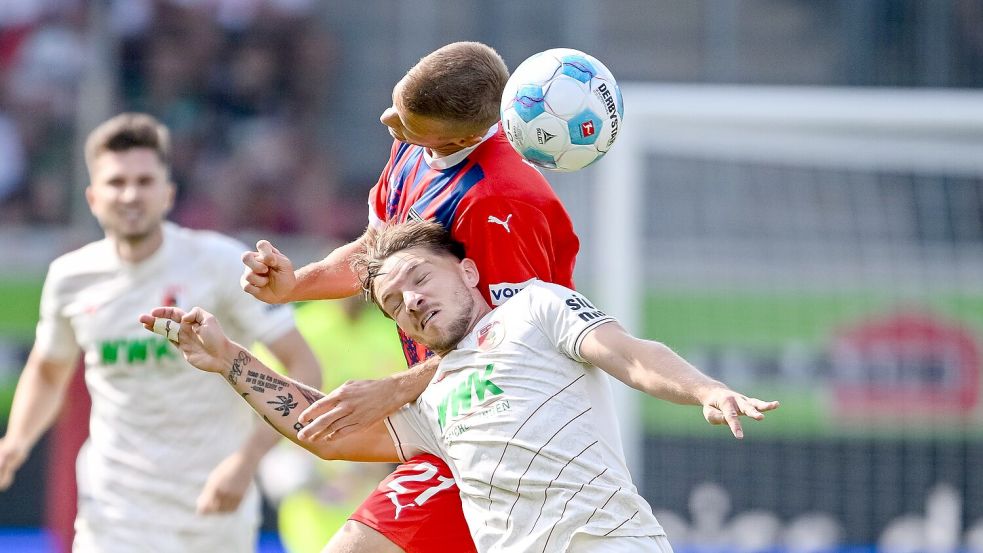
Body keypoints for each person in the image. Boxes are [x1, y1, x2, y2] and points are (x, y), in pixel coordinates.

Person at [143, 219, 780, 553]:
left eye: (420, 278)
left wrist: (703, 389)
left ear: (469, 268)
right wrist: (229, 359)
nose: (410, 301)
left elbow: (631, 355)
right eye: (393, 302)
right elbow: (328, 432)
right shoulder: (431, 396)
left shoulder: (538, 309)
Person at [241, 41, 578, 552]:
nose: (388, 123)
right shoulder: (416, 143)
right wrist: (298, 284)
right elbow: (375, 251)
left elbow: (516, 341)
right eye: (397, 108)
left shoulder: (503, 200)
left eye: (406, 123)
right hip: (449, 422)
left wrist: (397, 388)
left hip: (515, 430)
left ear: (463, 135)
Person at [0, 113, 322, 552]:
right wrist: (15, 443)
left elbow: (304, 366)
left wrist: (247, 462)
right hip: (113, 508)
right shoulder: (70, 277)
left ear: (167, 193)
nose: (130, 194)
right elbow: (48, 369)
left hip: (213, 504)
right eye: (116, 182)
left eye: (144, 181)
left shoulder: (220, 262)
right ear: (93, 197)